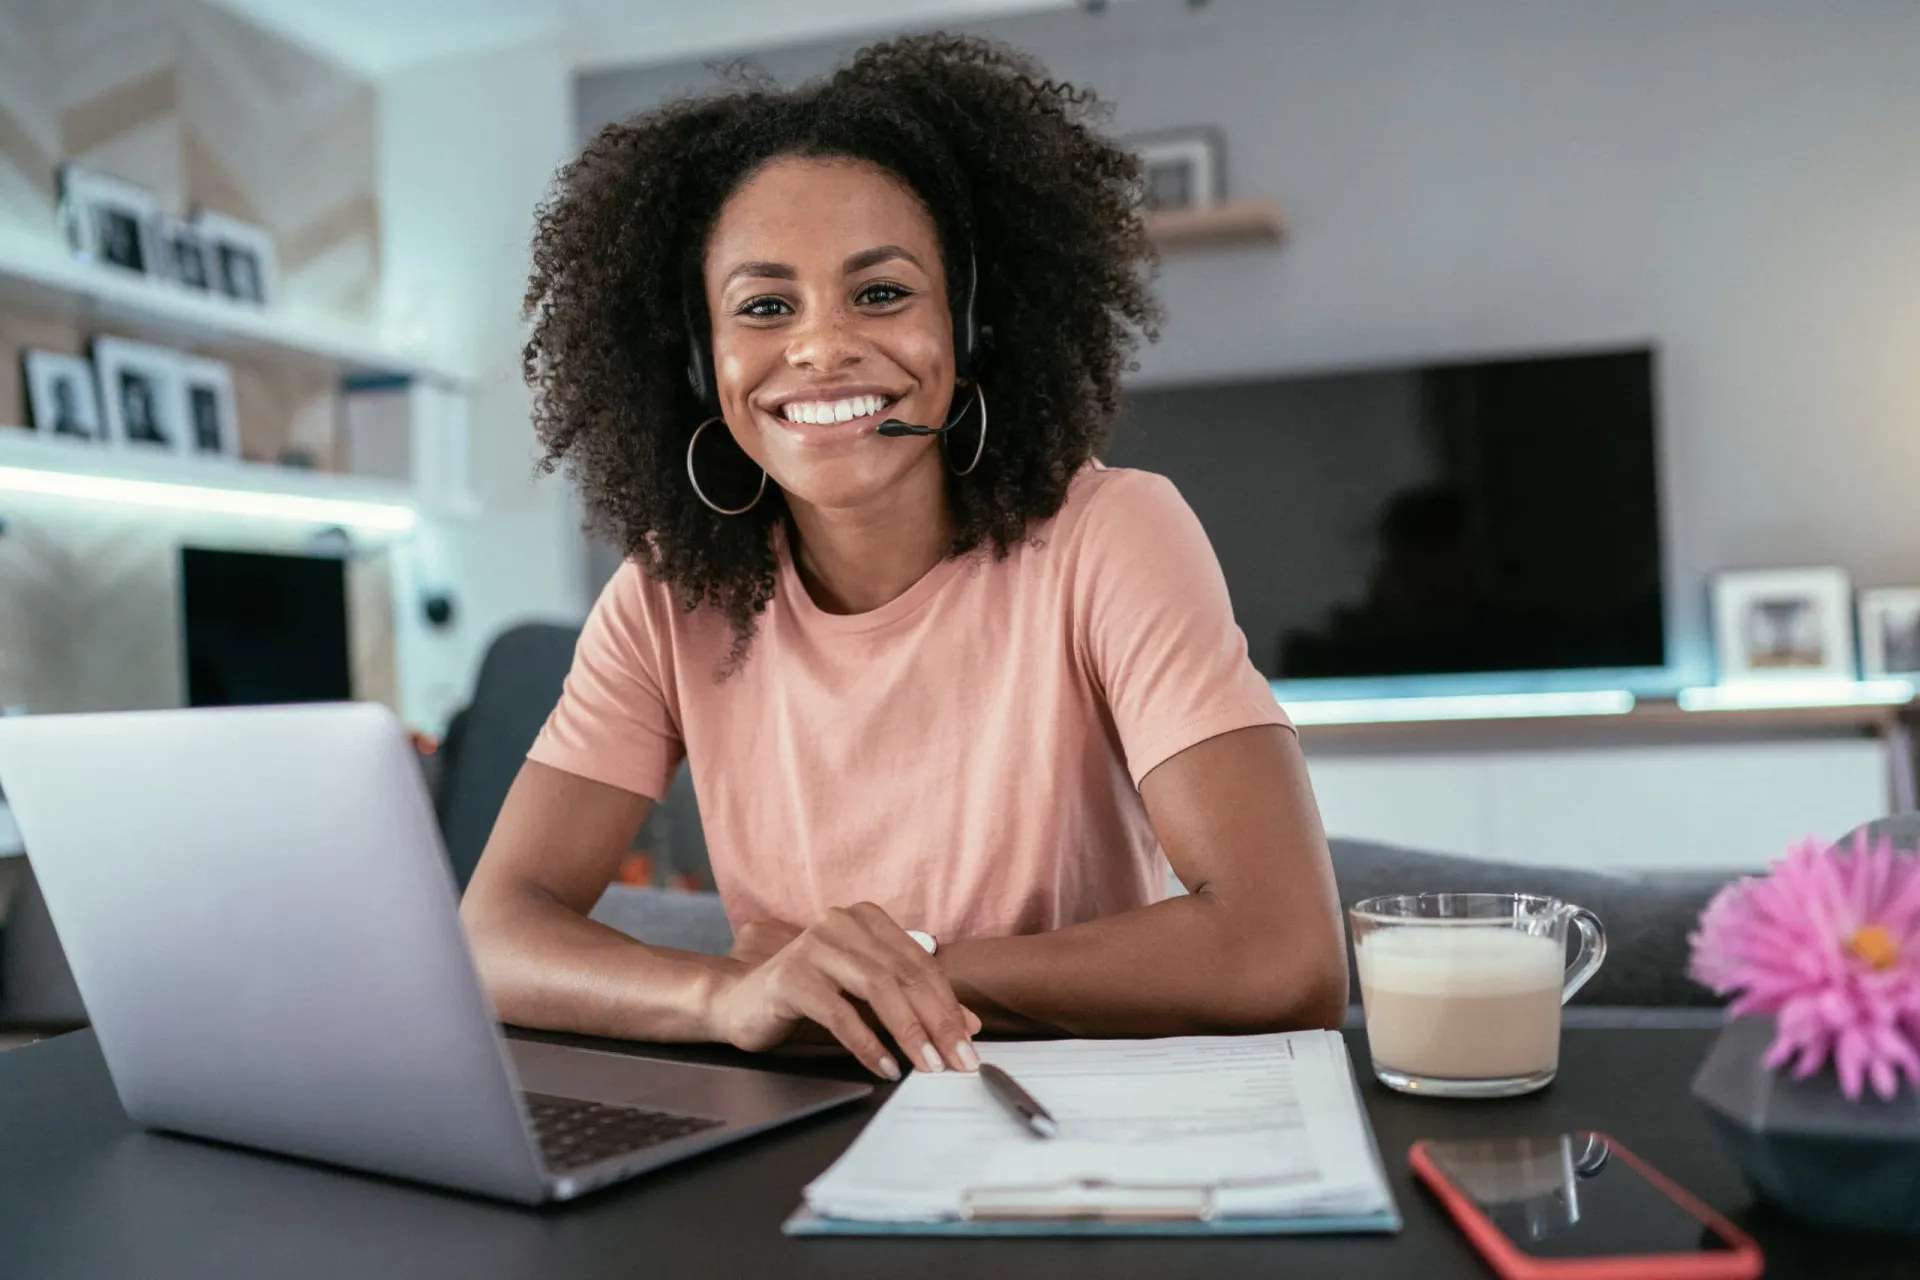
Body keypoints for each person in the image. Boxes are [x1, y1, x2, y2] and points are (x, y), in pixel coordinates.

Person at [461, 34, 1347, 1083]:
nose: (823, 347)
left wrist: (898, 975)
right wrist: (728, 994)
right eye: (764, 305)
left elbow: (1285, 951)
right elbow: (493, 930)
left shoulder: (1113, 534)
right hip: (799, 1122)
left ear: (969, 327)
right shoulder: (668, 595)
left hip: (1073, 1116)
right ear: (699, 357)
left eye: (880, 293)